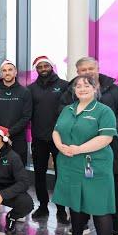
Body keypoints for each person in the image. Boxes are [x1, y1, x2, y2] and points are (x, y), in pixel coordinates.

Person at [59, 57, 118, 235]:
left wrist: (108, 132)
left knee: (114, 193)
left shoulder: (115, 89)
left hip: (113, 150)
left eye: (91, 68)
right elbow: (63, 116)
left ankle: (117, 228)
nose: (87, 72)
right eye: (82, 70)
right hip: (81, 154)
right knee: (79, 191)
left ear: (98, 69)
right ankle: (79, 229)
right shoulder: (70, 92)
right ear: (77, 72)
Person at [53, 75, 118, 235]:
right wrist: (60, 146)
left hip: (94, 164)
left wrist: (78, 149)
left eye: (86, 85)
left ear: (95, 88)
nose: (81, 88)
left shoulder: (103, 111)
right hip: (68, 162)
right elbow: (56, 130)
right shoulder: (68, 109)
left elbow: (106, 138)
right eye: (78, 86)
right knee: (75, 200)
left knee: (99, 206)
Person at [27, 55, 70, 224]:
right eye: (39, 67)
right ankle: (43, 206)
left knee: (62, 175)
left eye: (46, 66)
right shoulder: (31, 89)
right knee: (39, 174)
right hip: (38, 138)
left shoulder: (64, 86)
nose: (43, 69)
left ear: (52, 66)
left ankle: (61, 209)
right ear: (36, 69)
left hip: (59, 139)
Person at [0, 59, 32, 167]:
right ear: (1, 74)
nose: (7, 72)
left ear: (15, 72)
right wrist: (0, 132)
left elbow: (26, 116)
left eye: (10, 70)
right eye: (4, 70)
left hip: (18, 139)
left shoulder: (25, 92)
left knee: (18, 170)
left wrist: (9, 132)